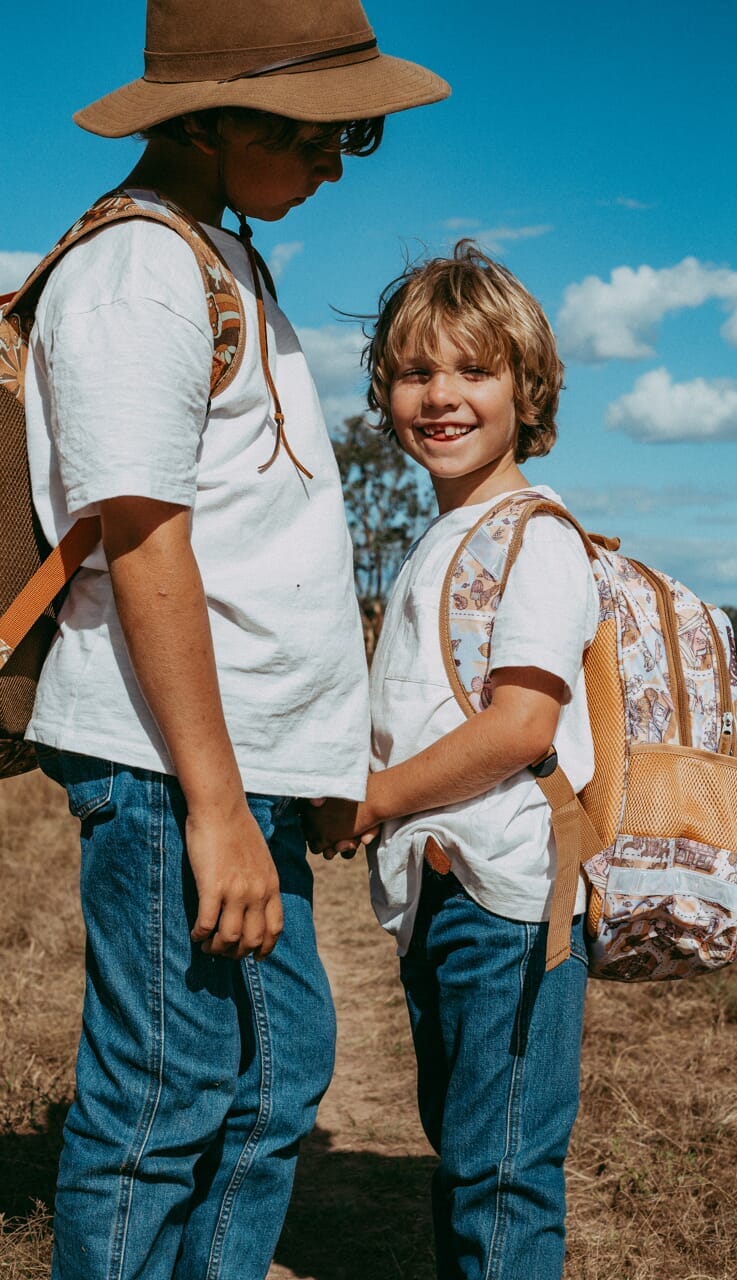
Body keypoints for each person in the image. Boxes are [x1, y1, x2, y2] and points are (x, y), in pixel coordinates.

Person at [23, 3, 448, 1277]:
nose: (338, 160)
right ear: (210, 123)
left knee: (276, 1074)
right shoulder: (135, 270)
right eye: (328, 130)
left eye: (355, 135)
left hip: (236, 761)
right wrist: (212, 801)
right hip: (170, 765)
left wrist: (301, 764)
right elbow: (146, 539)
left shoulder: (220, 260)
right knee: (165, 1093)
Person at [304, 243, 600, 1280]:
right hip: (446, 898)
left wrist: (376, 798)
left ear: (528, 388)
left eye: (474, 372)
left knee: (503, 1168)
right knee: (469, 1148)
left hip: (512, 899)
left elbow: (522, 724)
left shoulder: (538, 537)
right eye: (415, 372)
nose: (441, 396)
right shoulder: (445, 535)